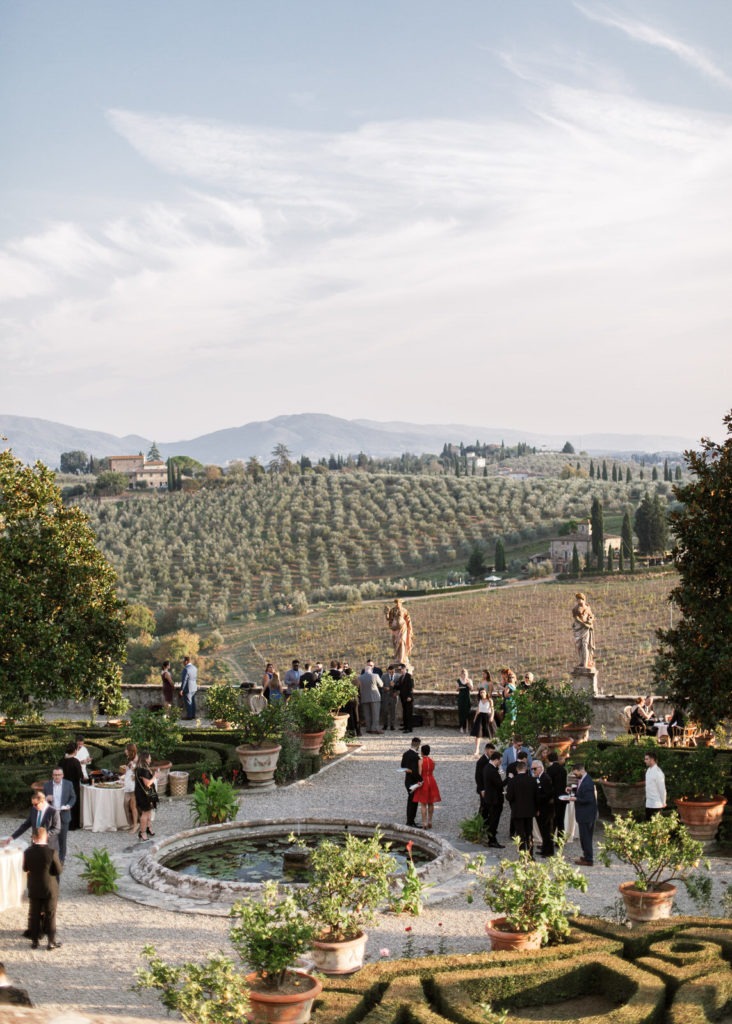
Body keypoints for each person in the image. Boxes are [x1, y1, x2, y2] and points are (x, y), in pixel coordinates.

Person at [23, 827, 62, 950]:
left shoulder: (27, 852)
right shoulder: (52, 852)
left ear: (33, 838)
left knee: (34, 915)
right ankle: (51, 942)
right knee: (50, 915)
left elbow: (25, 868)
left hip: (34, 887)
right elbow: (58, 870)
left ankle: (35, 941)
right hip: (50, 888)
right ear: (46, 837)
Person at [42, 767, 76, 863]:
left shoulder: (68, 784)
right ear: (52, 775)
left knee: (62, 839)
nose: (57, 777)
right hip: (51, 816)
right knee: (50, 838)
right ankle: (49, 858)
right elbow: (40, 801)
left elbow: (73, 797)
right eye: (55, 775)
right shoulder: (47, 785)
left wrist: (69, 805)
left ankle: (61, 859)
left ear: (62, 775)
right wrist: (45, 799)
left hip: (64, 814)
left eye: (59, 775)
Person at [506, 760, 537, 855]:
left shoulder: (513, 781)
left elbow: (509, 797)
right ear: (526, 769)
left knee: (520, 834)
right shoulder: (532, 780)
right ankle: (531, 854)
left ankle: (522, 855)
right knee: (529, 833)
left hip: (517, 810)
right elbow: (536, 796)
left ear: (516, 769)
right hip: (529, 811)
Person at [570, 763, 597, 867]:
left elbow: (588, 799)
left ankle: (589, 859)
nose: (575, 775)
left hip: (587, 814)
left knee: (586, 837)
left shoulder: (588, 782)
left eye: (575, 773)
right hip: (584, 813)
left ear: (581, 770)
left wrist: (576, 799)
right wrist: (573, 791)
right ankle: (586, 855)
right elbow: (581, 792)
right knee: (584, 836)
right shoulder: (583, 780)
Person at [413, 744, 441, 829]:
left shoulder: (420, 761)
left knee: (423, 804)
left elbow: (420, 774)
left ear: (422, 752)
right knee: (431, 802)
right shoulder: (432, 761)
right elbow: (432, 770)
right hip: (431, 781)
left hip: (424, 781)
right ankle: (430, 821)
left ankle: (424, 822)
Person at [480, 750, 505, 848]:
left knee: (492, 819)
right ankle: (492, 840)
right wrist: (509, 778)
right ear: (496, 760)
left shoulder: (487, 767)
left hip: (490, 798)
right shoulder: (492, 770)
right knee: (494, 820)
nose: (500, 763)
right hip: (495, 799)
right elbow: (499, 784)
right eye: (500, 761)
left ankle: (491, 838)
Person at [532, 760, 555, 857]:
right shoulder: (539, 778)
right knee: (543, 830)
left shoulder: (545, 778)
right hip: (541, 808)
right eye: (532, 769)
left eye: (535, 769)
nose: (533, 771)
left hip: (545, 809)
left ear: (540, 768)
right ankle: (545, 848)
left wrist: (536, 797)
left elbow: (548, 794)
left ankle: (549, 851)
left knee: (546, 830)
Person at [134, 750, 159, 841]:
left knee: (149, 811)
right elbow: (147, 783)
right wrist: (155, 776)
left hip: (146, 793)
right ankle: (143, 832)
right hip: (144, 794)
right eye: (149, 757)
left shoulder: (140, 768)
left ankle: (148, 828)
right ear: (146, 759)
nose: (150, 759)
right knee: (145, 813)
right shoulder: (143, 770)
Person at [59, 742, 84, 831]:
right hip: (73, 786)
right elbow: (80, 775)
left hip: (62, 785)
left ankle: (64, 822)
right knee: (73, 804)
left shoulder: (61, 761)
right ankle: (73, 824)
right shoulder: (75, 762)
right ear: (75, 750)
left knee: (64, 803)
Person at [384, 598, 414, 669]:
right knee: (396, 643)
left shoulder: (404, 610)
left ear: (401, 603)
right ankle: (397, 658)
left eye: (399, 602)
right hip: (395, 630)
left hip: (403, 629)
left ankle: (401, 659)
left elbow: (408, 620)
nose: (398, 604)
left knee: (402, 642)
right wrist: (386, 614)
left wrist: (410, 630)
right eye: (396, 602)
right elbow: (389, 619)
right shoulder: (392, 610)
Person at [400, 736, 422, 827]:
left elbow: (402, 766)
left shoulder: (405, 754)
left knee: (410, 800)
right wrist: (420, 780)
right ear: (418, 745)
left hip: (407, 780)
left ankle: (410, 820)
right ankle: (410, 820)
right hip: (413, 781)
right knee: (413, 802)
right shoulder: (415, 757)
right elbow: (415, 771)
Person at [546, 751, 568, 837]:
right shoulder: (563, 769)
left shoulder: (549, 770)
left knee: (552, 820)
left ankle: (550, 840)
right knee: (561, 820)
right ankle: (560, 839)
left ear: (549, 759)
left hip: (554, 798)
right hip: (563, 797)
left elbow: (549, 785)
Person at [358, 660, 383, 734]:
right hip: (375, 697)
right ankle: (375, 728)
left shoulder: (360, 677)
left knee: (367, 714)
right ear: (371, 670)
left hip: (364, 697)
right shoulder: (375, 675)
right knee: (375, 714)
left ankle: (368, 728)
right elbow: (381, 684)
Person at [572, 593, 596, 669]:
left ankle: (585, 663)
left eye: (580, 599)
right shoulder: (575, 609)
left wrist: (590, 620)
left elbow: (591, 615)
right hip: (579, 628)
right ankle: (582, 662)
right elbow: (576, 618)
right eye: (578, 599)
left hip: (586, 629)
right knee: (579, 646)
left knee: (585, 645)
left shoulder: (588, 608)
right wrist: (583, 623)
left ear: (584, 599)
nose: (579, 601)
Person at [471, 688, 496, 753]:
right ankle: (477, 749)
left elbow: (492, 709)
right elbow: (478, 709)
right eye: (481, 692)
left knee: (490, 733)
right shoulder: (480, 700)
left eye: (483, 692)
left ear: (486, 692)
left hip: (488, 716)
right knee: (478, 734)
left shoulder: (490, 700)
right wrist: (475, 717)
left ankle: (491, 749)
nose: (482, 694)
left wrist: (492, 717)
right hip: (480, 717)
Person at [122, 742, 139, 832]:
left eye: (126, 749)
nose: (125, 751)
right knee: (125, 804)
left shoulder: (136, 760)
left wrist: (134, 772)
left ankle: (135, 825)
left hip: (132, 786)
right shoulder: (129, 758)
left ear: (130, 751)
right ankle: (131, 823)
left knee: (133, 806)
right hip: (128, 784)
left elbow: (138, 771)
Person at [644, 751, 666, 820]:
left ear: (652, 760)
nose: (645, 761)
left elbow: (662, 789)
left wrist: (663, 802)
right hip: (648, 804)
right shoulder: (648, 771)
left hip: (656, 805)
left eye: (647, 759)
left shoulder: (658, 773)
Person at [397, 663, 415, 733]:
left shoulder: (408, 676)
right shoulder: (401, 677)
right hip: (403, 697)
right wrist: (394, 686)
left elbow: (411, 687)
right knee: (405, 712)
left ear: (404, 669)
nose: (400, 671)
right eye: (399, 670)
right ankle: (405, 726)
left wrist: (410, 696)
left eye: (400, 669)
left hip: (408, 698)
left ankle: (409, 728)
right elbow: (400, 687)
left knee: (408, 713)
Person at [456, 668, 474, 734]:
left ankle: (467, 727)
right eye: (463, 674)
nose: (464, 675)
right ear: (461, 674)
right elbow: (457, 689)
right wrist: (458, 688)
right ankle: (461, 727)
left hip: (467, 697)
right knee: (461, 712)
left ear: (467, 674)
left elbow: (472, 689)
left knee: (467, 712)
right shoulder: (458, 680)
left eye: (465, 674)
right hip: (461, 697)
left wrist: (468, 683)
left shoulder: (469, 680)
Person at [380, 665, 398, 731]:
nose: (391, 673)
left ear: (394, 671)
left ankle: (392, 725)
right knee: (385, 711)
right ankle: (385, 725)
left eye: (393, 672)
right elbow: (380, 685)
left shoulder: (398, 677)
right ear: (388, 671)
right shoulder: (383, 676)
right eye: (390, 672)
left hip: (394, 696)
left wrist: (396, 692)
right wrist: (384, 688)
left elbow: (400, 686)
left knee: (393, 711)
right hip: (385, 696)